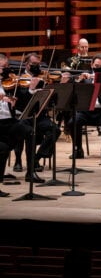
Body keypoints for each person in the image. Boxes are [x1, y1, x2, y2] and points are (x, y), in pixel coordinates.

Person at [13, 52, 61, 183]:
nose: (36, 67)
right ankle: (29, 171)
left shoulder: (42, 77)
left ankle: (36, 158)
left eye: (38, 64)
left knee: (55, 130)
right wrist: (31, 89)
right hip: (23, 116)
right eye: (33, 64)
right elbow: (20, 102)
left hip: (39, 116)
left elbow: (52, 99)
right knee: (30, 134)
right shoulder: (18, 79)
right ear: (26, 64)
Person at [67, 53, 101, 163]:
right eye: (96, 66)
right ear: (92, 65)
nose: (98, 68)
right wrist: (79, 80)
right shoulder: (85, 77)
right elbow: (72, 89)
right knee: (73, 121)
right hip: (87, 110)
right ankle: (78, 149)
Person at [0, 53, 32, 195]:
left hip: (8, 120)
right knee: (3, 149)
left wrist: (10, 101)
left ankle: (31, 169)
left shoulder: (3, 82)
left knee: (29, 131)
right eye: (2, 67)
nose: (4, 70)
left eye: (5, 67)